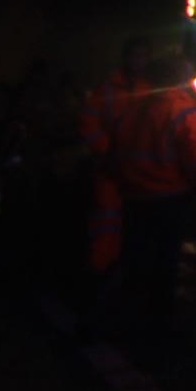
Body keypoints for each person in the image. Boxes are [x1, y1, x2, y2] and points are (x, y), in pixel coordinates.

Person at [108, 54, 196, 318]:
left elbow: (116, 152)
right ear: (183, 78)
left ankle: (129, 312)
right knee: (164, 261)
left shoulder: (133, 109)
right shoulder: (188, 112)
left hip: (133, 196)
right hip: (170, 198)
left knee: (135, 257)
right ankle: (157, 317)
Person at [77, 35, 152, 284]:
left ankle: (127, 272)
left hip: (137, 168)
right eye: (135, 55)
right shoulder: (107, 88)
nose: (138, 61)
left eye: (143, 56)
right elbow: (88, 122)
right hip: (110, 166)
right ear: (126, 57)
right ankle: (99, 270)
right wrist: (106, 151)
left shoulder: (150, 88)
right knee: (106, 218)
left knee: (133, 222)